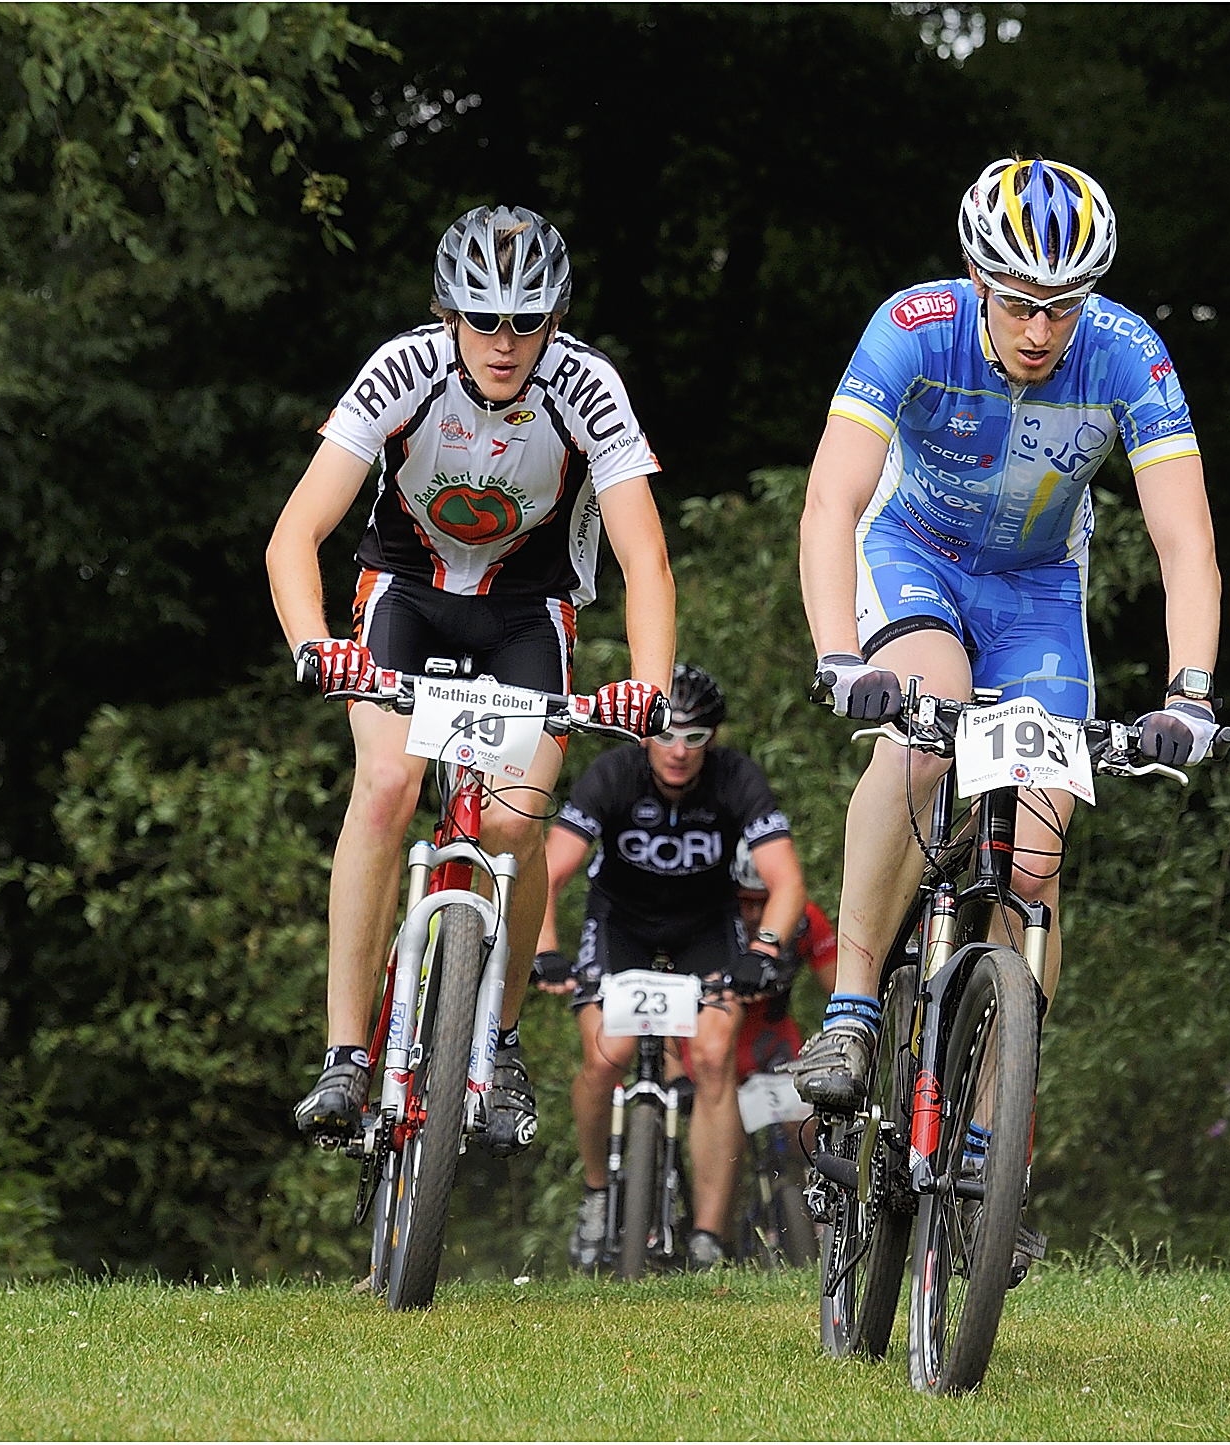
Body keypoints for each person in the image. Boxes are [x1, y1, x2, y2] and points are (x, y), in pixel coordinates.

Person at [790, 156, 1223, 1109]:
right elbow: (831, 500)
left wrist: (1188, 694)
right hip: (913, 552)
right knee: (923, 733)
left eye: (1062, 307)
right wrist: (838, 656)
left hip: (1036, 590)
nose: (1039, 330)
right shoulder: (914, 326)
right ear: (977, 278)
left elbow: (1185, 541)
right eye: (1020, 303)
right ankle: (850, 1010)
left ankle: (991, 1132)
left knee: (1035, 860)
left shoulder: (1127, 352)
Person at [267, 204, 676, 1153]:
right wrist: (312, 642)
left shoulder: (588, 386)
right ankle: (343, 1054)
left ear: (554, 321)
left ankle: (500, 1037)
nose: (503, 342)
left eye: (525, 322)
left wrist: (648, 687)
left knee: (514, 819)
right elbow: (295, 534)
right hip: (405, 594)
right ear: (447, 313)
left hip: (527, 611)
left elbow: (645, 560)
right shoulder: (401, 370)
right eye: (482, 319)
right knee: (386, 782)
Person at [532, 664, 808, 1270]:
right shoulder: (614, 774)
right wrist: (545, 949)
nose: (679, 751)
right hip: (621, 928)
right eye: (665, 735)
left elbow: (786, 881)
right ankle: (596, 1194)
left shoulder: (736, 778)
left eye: (695, 737)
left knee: (711, 1058)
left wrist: (762, 951)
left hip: (705, 932)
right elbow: (548, 872)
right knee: (606, 1056)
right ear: (644, 735)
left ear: (714, 739)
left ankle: (707, 1235)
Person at [730, 838, 837, 1082]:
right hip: (714, 1042)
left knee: (800, 1106)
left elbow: (841, 990)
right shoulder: (708, 921)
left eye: (765, 900)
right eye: (746, 901)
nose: (756, 914)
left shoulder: (806, 920)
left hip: (774, 1038)